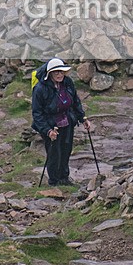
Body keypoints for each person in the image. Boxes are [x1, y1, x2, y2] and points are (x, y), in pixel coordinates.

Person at [31, 58, 92, 186]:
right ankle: (54, 181)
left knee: (66, 150)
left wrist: (83, 118)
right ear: (50, 74)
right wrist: (47, 131)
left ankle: (64, 178)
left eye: (61, 72)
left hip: (67, 121)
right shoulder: (40, 89)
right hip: (51, 125)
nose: (59, 75)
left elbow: (75, 101)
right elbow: (37, 113)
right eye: (56, 72)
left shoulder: (67, 82)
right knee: (54, 153)